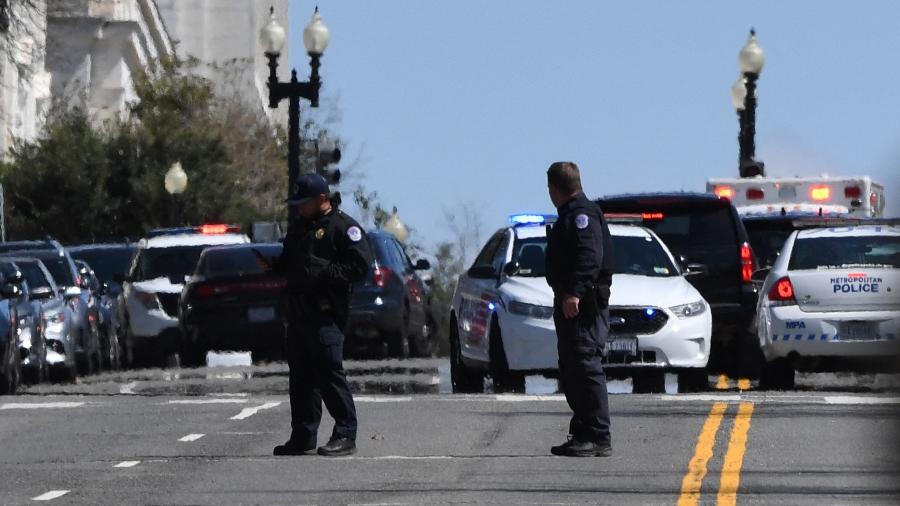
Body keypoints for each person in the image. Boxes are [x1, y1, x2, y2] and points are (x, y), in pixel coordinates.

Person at [267, 173, 372, 457]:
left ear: (322, 200)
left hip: (326, 314)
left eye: (303, 202)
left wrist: (325, 274)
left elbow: (360, 266)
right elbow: (292, 262)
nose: (298, 208)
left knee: (329, 372)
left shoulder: (344, 228)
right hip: (299, 314)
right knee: (301, 377)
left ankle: (345, 434)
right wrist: (275, 266)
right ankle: (303, 434)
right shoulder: (300, 228)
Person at [544, 161, 614, 457]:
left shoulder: (582, 216)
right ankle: (584, 431)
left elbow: (589, 257)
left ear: (554, 189)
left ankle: (598, 436)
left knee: (585, 367)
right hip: (572, 304)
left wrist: (574, 293)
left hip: (584, 306)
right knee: (573, 369)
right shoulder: (571, 215)